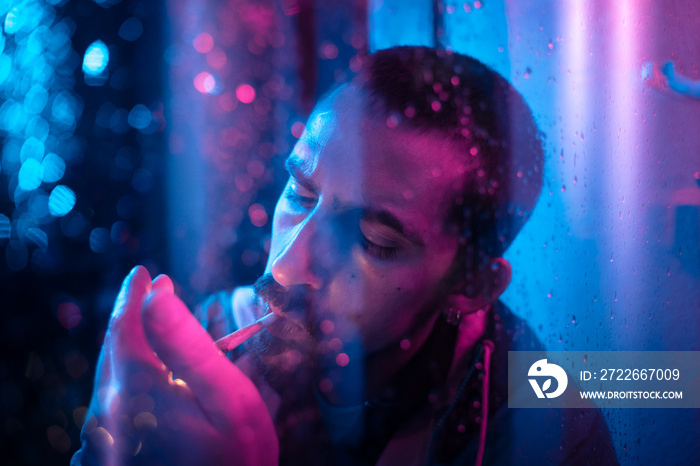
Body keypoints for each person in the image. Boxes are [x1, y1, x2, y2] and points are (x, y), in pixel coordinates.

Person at [72, 47, 618, 465]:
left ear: (471, 284)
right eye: (300, 194)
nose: (286, 267)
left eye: (373, 243)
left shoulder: (544, 426)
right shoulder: (194, 352)